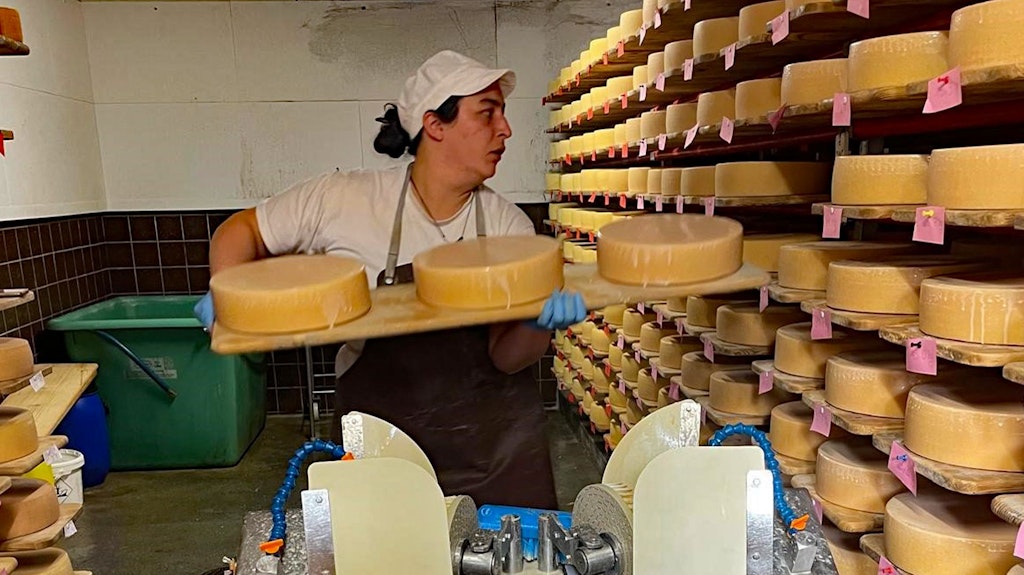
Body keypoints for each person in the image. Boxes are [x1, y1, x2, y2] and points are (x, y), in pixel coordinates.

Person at [195, 50, 586, 509]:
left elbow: (507, 359)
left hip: (491, 455)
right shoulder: (344, 199)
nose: (506, 129)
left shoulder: (509, 228)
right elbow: (241, 231)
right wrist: (229, 288)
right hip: (381, 442)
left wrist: (536, 325)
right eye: (487, 113)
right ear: (435, 126)